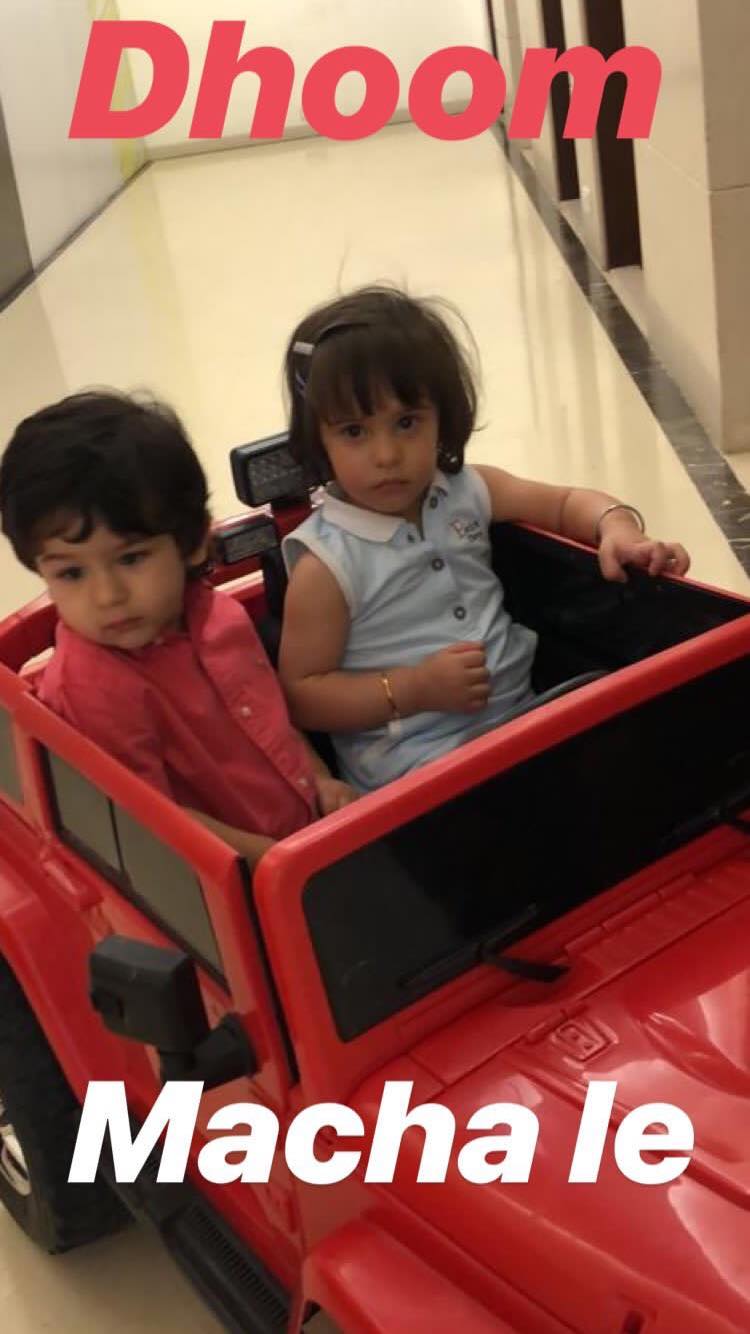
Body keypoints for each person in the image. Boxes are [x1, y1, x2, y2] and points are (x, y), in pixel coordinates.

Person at [278, 285, 691, 794]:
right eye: (354, 432)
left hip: (527, 724)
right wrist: (413, 689)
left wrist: (618, 528)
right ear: (318, 438)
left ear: (443, 417)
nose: (386, 455)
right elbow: (302, 695)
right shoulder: (326, 566)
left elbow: (564, 502)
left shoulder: (465, 490)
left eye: (406, 422)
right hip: (419, 777)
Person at [0, 391, 355, 866]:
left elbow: (273, 724)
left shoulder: (221, 615)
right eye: (71, 573)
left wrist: (322, 782)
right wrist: (275, 862)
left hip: (305, 844)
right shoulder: (92, 691)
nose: (106, 596)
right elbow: (156, 826)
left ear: (193, 544)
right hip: (236, 884)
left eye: (131, 558)